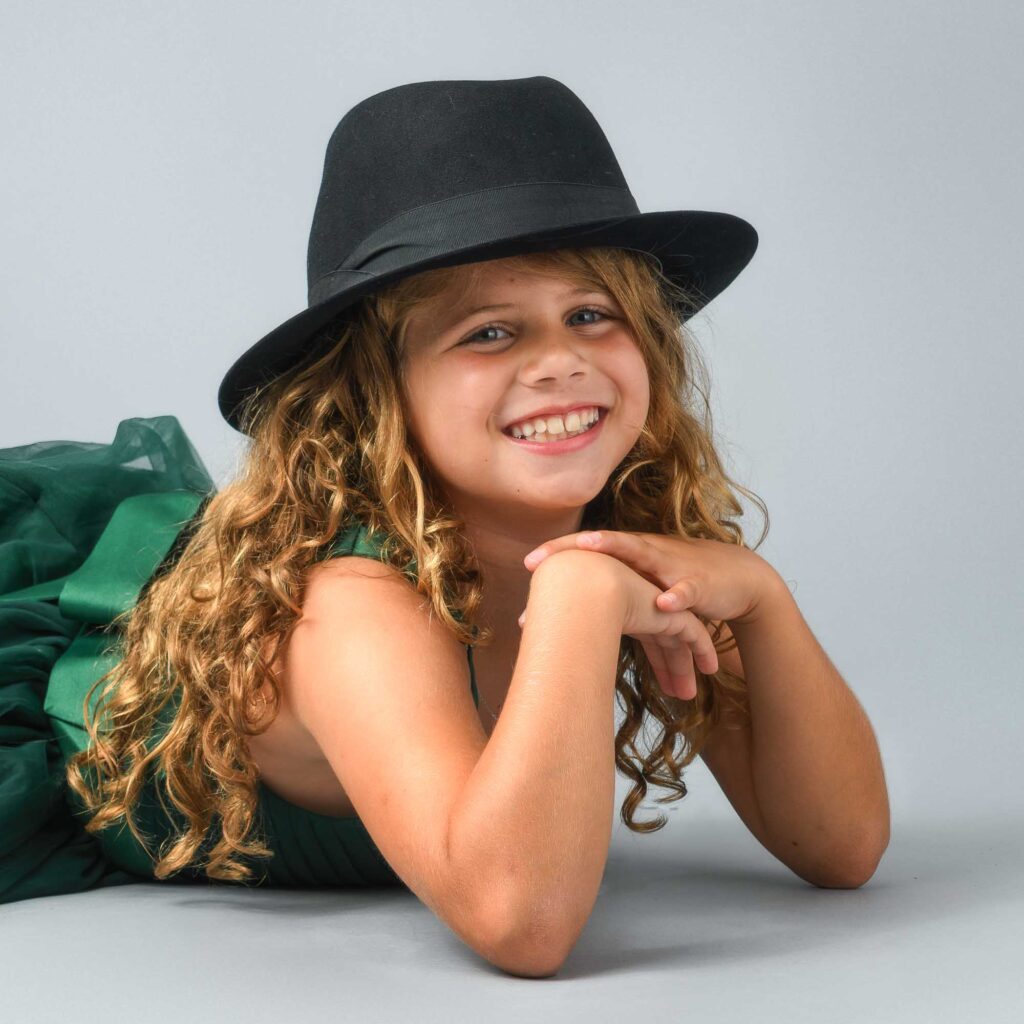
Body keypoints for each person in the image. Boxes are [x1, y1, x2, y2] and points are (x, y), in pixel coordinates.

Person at [0, 76, 889, 976]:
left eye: (591, 315)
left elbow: (842, 847)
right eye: (489, 334)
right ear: (377, 394)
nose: (560, 362)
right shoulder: (353, 606)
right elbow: (521, 923)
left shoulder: (641, 537)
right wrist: (577, 598)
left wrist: (765, 602)